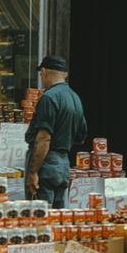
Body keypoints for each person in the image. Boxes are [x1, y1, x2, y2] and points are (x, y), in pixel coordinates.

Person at [24, 55, 87, 208]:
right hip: (63, 164)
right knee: (58, 217)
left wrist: (33, 172)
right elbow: (81, 136)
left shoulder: (49, 97)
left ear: (44, 72)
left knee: (41, 215)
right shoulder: (75, 97)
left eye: (41, 74)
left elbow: (44, 138)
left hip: (46, 164)